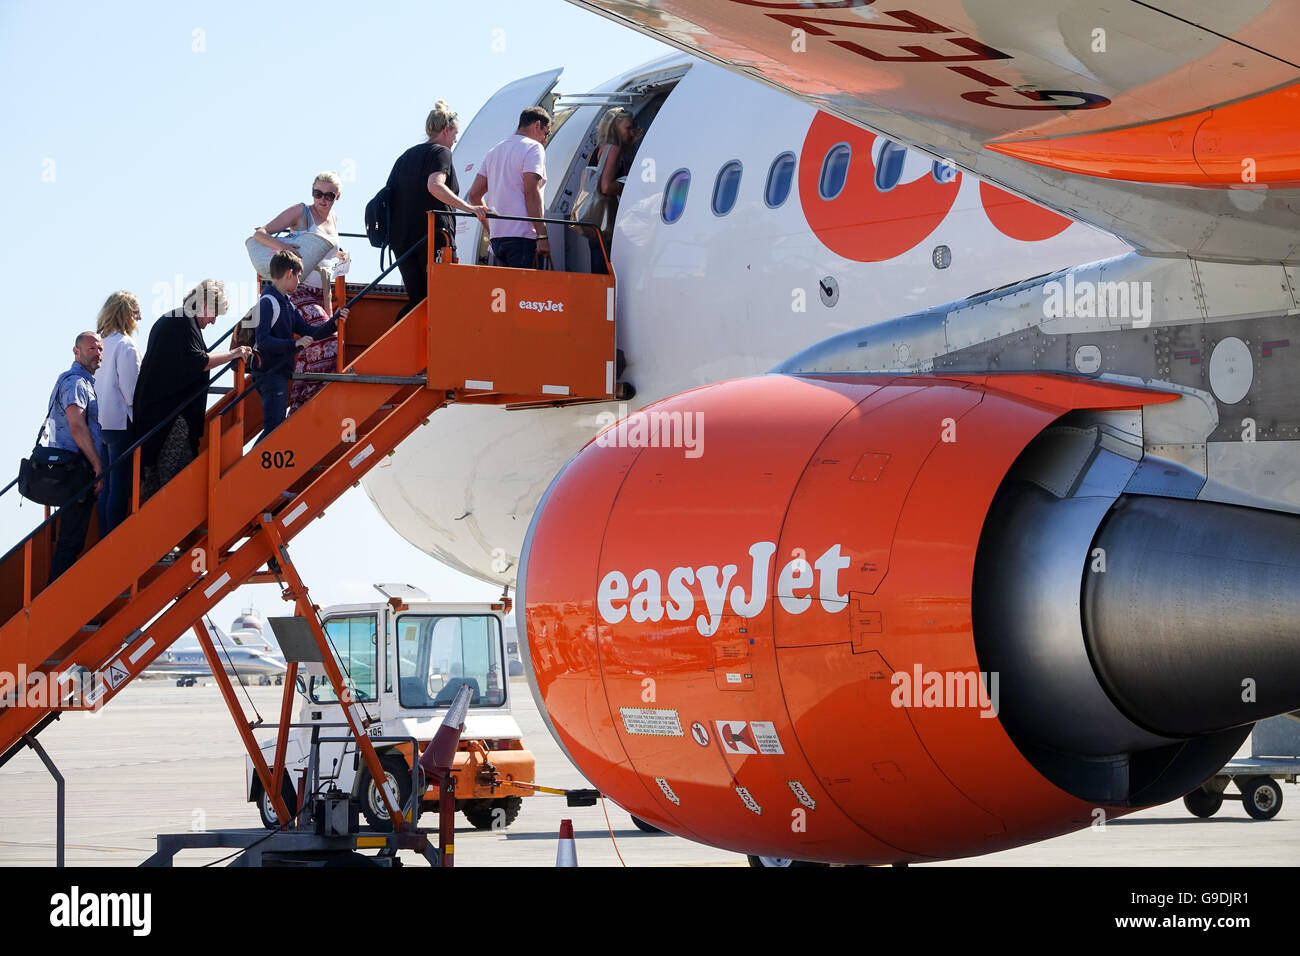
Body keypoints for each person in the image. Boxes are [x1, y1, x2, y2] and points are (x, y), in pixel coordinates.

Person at [133, 280, 251, 502]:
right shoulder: (182, 323)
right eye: (214, 313)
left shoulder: (176, 320)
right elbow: (198, 361)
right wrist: (234, 354)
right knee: (176, 483)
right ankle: (166, 531)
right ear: (204, 305)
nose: (213, 321)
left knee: (157, 483)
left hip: (157, 419)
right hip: (169, 421)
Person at [250, 171, 350, 411]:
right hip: (298, 287)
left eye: (329, 195)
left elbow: (323, 247)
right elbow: (259, 232)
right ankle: (303, 400)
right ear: (312, 192)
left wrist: (339, 254)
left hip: (322, 291)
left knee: (319, 339)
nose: (322, 200)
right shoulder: (301, 211)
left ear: (337, 196)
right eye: (318, 193)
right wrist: (284, 246)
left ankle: (304, 398)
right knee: (328, 340)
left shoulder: (334, 218)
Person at [385, 101, 489, 318]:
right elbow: (435, 185)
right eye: (455, 133)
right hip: (432, 238)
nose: (455, 139)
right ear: (445, 130)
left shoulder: (405, 157)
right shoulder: (441, 152)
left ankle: (397, 337)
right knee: (443, 297)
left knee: (419, 298)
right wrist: (469, 208)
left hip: (402, 240)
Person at [253, 250, 347, 442]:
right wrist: (293, 344)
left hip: (276, 373)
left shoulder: (286, 304)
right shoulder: (268, 302)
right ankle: (248, 471)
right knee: (274, 430)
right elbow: (262, 341)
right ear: (289, 273)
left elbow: (309, 331)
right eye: (298, 276)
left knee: (275, 428)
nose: (299, 281)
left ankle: (251, 469)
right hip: (270, 374)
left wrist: (334, 322)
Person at [46, 332, 105, 584]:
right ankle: (52, 602)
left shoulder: (84, 381)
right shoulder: (76, 382)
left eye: (100, 349)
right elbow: (76, 425)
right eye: (91, 348)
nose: (97, 353)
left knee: (72, 538)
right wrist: (97, 465)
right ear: (76, 351)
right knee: (70, 539)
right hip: (75, 469)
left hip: (74, 468)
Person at [467, 106, 552, 269]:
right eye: (546, 133)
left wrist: (491, 227)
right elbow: (531, 192)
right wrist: (542, 235)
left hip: (498, 239)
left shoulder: (494, 151)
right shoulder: (534, 148)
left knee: (509, 293)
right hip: (523, 237)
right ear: (536, 125)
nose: (545, 140)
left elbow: (474, 195)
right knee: (526, 293)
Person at [93, 291, 142, 534]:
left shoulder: (103, 344)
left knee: (107, 486)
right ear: (127, 314)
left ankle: (105, 537)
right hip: (121, 423)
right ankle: (114, 538)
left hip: (101, 423)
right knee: (120, 487)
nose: (140, 318)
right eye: (137, 312)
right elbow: (131, 391)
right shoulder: (126, 346)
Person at [585, 107, 642, 274]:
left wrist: (630, 144)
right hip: (607, 219)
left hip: (594, 218)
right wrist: (627, 184)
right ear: (615, 128)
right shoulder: (613, 150)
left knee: (598, 267)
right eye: (627, 128)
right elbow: (606, 186)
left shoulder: (597, 151)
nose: (631, 132)